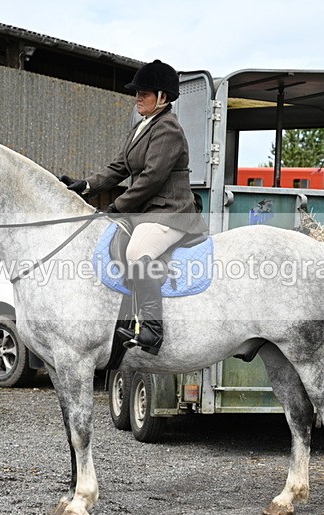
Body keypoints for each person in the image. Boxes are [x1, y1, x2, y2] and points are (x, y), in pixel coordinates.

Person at [62, 59, 207, 355]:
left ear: (163, 97)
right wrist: (86, 186)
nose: (138, 97)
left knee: (138, 252)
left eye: (145, 93)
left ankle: (153, 329)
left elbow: (152, 177)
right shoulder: (142, 126)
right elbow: (119, 167)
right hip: (148, 212)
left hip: (171, 211)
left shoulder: (168, 129)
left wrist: (117, 205)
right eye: (137, 92)